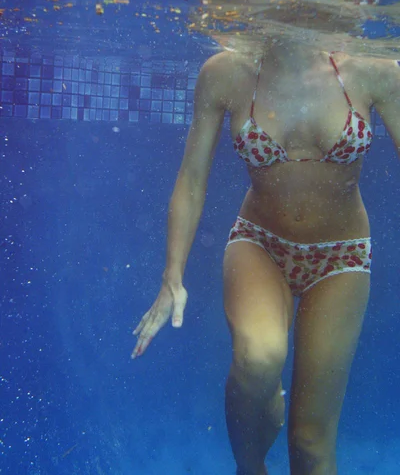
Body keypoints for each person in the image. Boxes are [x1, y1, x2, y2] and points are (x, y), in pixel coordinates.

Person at [132, 42, 400, 475]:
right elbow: (193, 177)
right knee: (258, 358)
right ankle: (249, 465)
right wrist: (172, 276)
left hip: (341, 257)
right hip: (261, 243)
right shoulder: (227, 72)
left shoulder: (375, 69)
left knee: (311, 443)